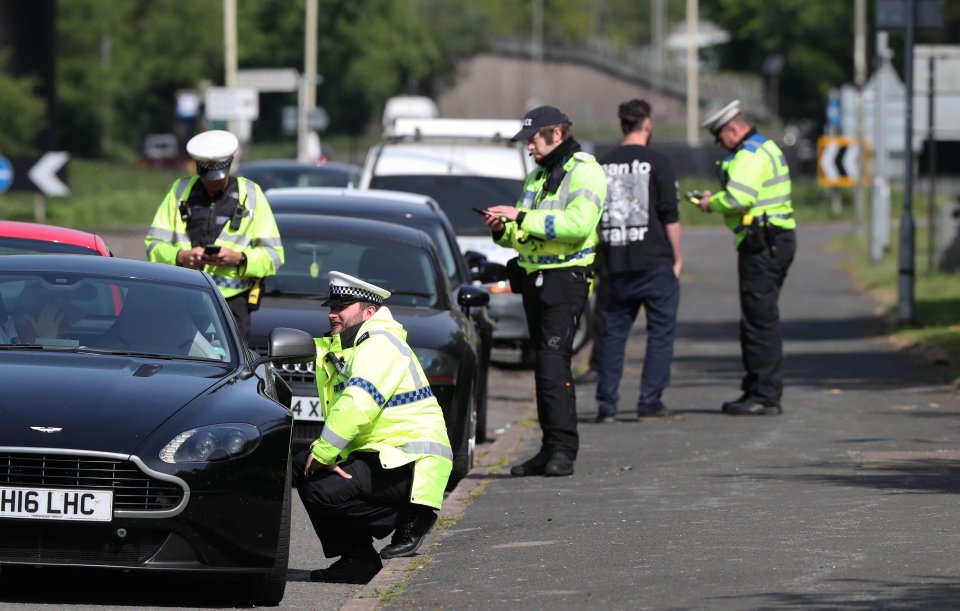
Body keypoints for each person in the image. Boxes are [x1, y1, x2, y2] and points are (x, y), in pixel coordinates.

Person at [293, 271, 452, 584]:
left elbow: (358, 402)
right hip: (386, 455)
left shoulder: (379, 344)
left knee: (320, 484)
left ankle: (412, 515)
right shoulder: (355, 345)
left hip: (411, 463)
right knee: (303, 465)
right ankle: (358, 560)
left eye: (342, 305)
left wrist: (327, 451)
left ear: (369, 312)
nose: (332, 312)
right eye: (331, 305)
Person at [482, 105, 606, 477]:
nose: (529, 148)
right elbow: (523, 235)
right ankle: (550, 447)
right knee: (545, 367)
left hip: (566, 279)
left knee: (553, 365)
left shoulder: (586, 171)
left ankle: (563, 452)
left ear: (556, 134)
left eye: (533, 140)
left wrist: (519, 216)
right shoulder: (538, 176)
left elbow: (577, 224)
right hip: (536, 279)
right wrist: (501, 229)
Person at [696, 99, 797, 416]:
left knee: (759, 322)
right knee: (757, 319)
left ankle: (765, 396)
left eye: (720, 136)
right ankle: (756, 388)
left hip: (762, 244)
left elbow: (740, 198)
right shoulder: (764, 147)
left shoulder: (749, 154)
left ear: (733, 129)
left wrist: (712, 203)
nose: (720, 144)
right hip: (773, 240)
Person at [145, 129, 284, 343]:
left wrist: (239, 259)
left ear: (229, 165)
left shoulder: (252, 194)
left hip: (231, 306)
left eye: (217, 178)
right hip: (183, 298)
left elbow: (274, 255)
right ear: (198, 168)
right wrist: (182, 256)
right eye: (207, 177)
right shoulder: (179, 190)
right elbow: (153, 245)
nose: (212, 183)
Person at [594, 99, 682, 423]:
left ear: (622, 125)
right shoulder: (658, 161)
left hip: (616, 261)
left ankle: (607, 405)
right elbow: (669, 215)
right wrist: (678, 256)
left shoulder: (603, 164)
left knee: (613, 334)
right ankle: (649, 401)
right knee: (660, 333)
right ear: (647, 124)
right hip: (654, 261)